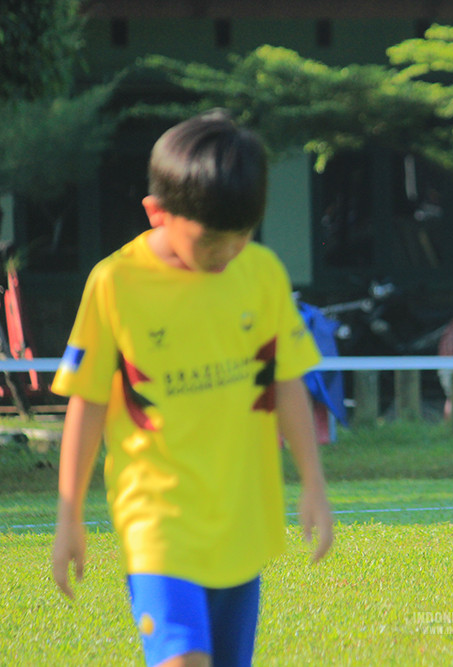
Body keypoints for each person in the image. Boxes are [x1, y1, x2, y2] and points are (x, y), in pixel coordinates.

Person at [50, 111, 334, 666]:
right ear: (158, 214)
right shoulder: (115, 283)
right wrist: (69, 514)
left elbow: (287, 380)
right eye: (209, 242)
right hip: (155, 515)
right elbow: (88, 401)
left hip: (240, 516)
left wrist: (314, 481)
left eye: (241, 237)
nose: (226, 254)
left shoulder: (262, 273)